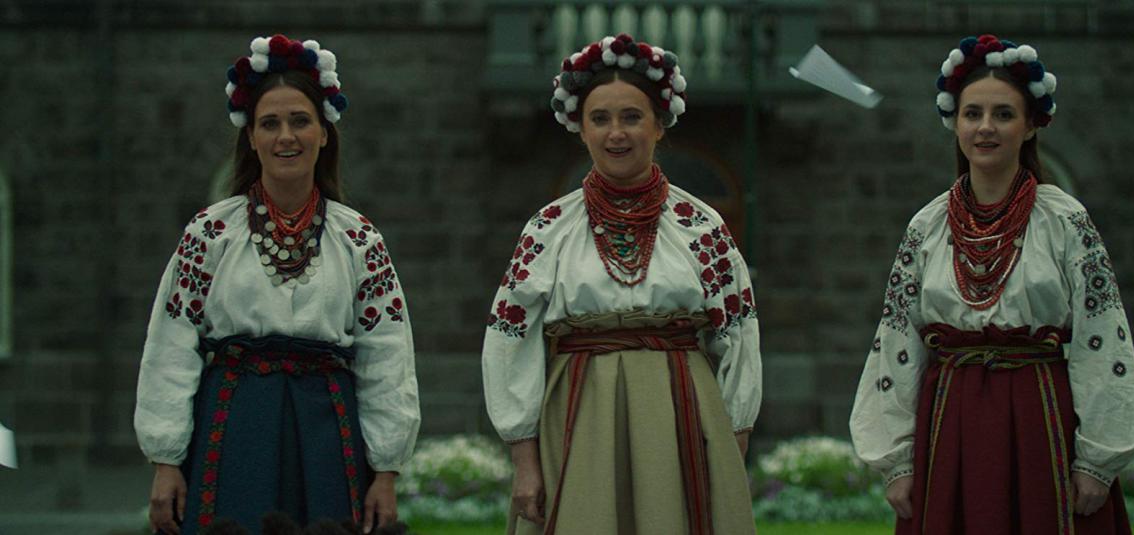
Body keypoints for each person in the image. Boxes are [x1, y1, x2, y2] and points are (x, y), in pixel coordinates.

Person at [849, 34, 1134, 534]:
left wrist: (1098, 459)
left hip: (1039, 417)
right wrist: (896, 460)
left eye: (1003, 114)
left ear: (1030, 126)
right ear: (956, 123)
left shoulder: (1065, 221)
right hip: (951, 420)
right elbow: (897, 342)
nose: (985, 127)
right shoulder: (927, 226)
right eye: (973, 114)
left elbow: (1103, 335)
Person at [134, 34, 420, 535]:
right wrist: (166, 461)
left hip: (327, 428)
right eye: (270, 123)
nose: (286, 136)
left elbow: (387, 354)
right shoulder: (210, 234)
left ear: (324, 133)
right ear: (251, 137)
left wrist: (386, 471)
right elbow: (171, 344)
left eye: (300, 121)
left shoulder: (358, 238)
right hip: (234, 423)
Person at [481, 33, 760, 535]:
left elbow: (737, 332)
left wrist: (732, 434)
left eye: (631, 117)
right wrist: (524, 458)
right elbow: (510, 339)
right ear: (580, 128)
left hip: (679, 411)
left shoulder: (701, 227)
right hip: (579, 412)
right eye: (600, 119)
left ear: (659, 124)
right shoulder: (548, 229)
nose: (616, 133)